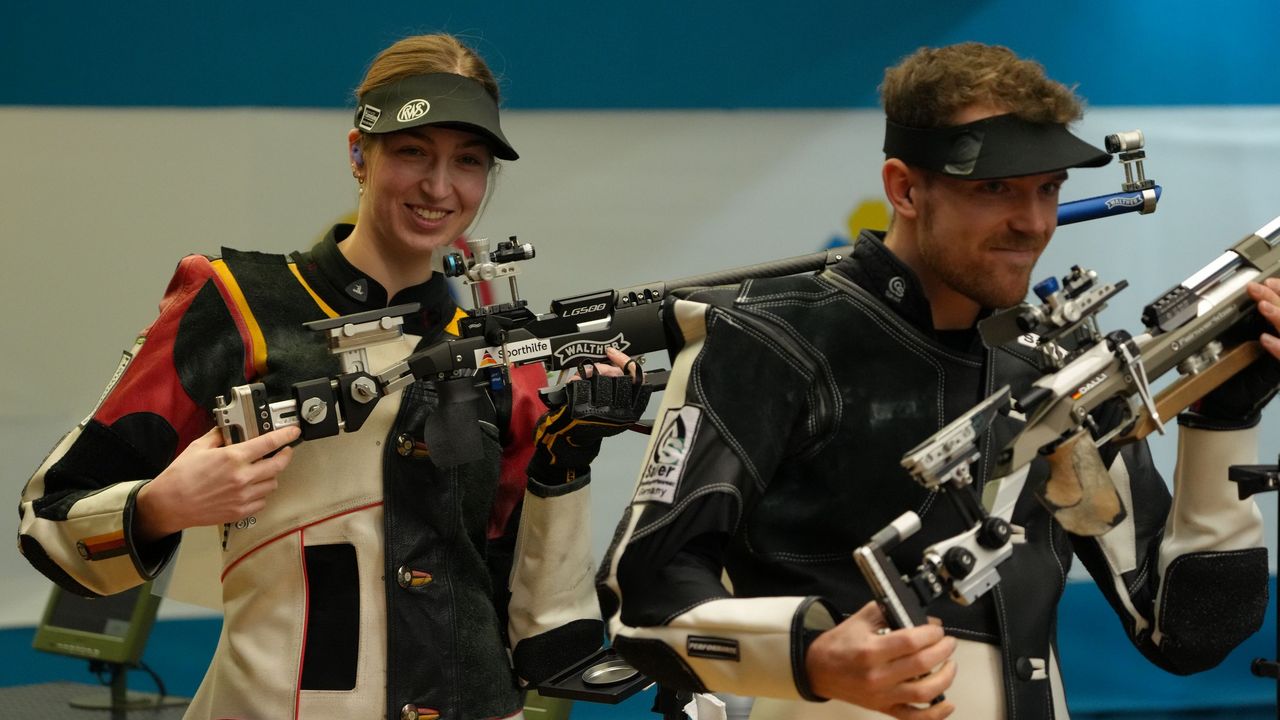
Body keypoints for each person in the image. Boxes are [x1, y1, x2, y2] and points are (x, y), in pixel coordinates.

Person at [598, 42, 1280, 719]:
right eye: (995, 189)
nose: (1034, 223)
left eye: (1048, 188)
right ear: (903, 188)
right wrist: (811, 657)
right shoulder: (772, 338)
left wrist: (1224, 416)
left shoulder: (1057, 366)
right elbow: (642, 590)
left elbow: (1190, 630)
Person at [18, 33, 649, 720]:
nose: (440, 187)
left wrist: (568, 455)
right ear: (358, 153)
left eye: (468, 163)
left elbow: (541, 623)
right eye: (413, 152)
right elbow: (48, 521)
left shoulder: (504, 359)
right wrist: (163, 505)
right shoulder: (238, 306)